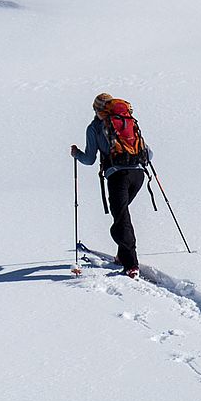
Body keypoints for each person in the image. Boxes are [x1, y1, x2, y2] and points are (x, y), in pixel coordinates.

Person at [70, 93, 152, 276]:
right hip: (138, 175)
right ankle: (123, 255)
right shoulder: (127, 122)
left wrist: (76, 154)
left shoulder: (94, 128)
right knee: (121, 215)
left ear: (98, 110)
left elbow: (90, 159)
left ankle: (131, 264)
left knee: (121, 219)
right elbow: (149, 154)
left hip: (117, 176)